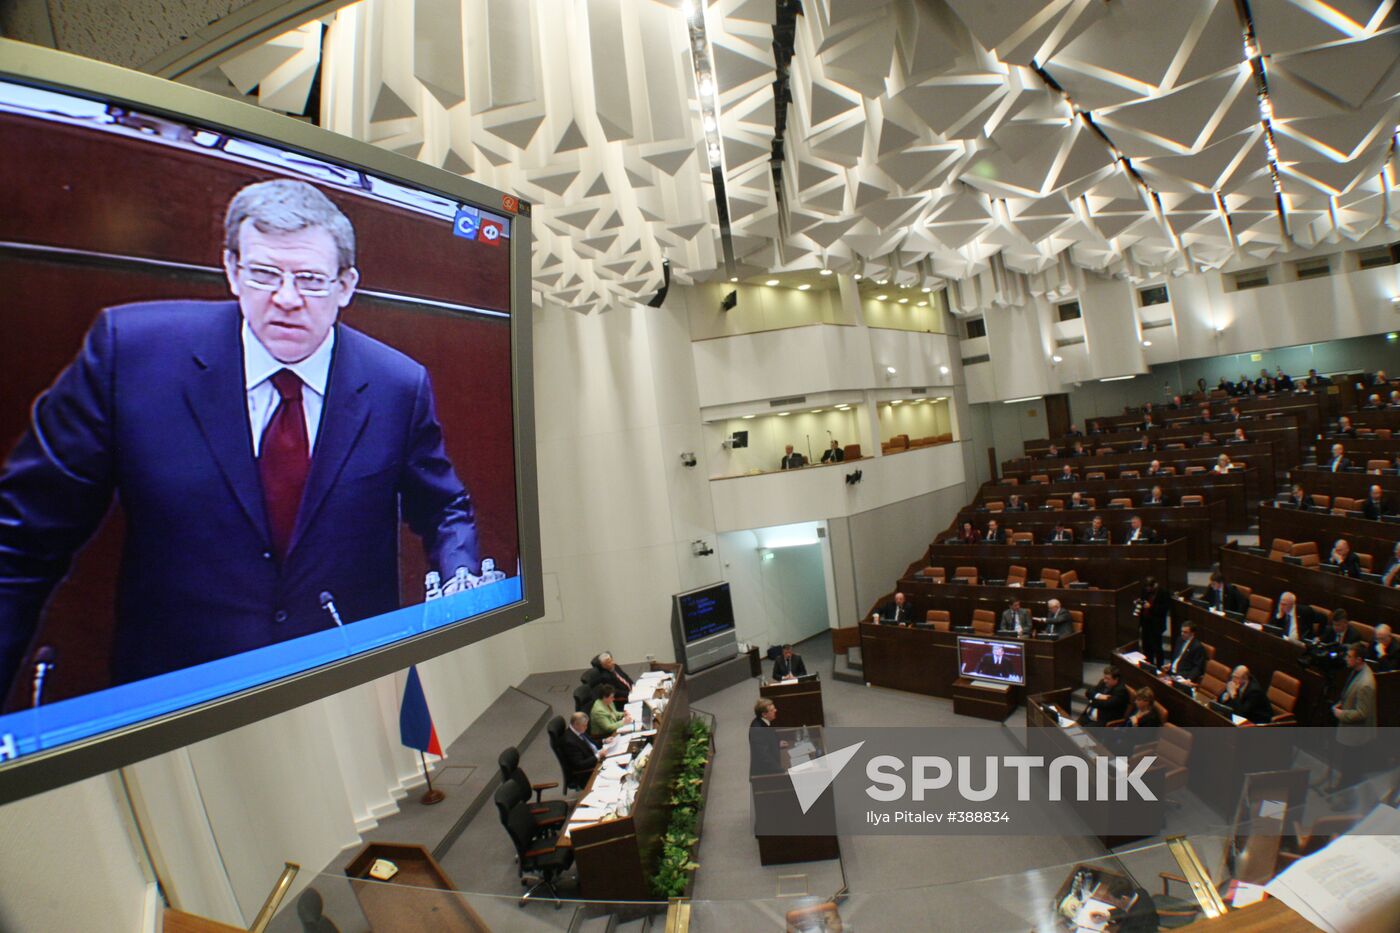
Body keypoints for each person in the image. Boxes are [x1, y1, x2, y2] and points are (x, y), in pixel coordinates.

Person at [0, 179, 482, 690]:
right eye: (264, 273)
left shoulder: (397, 384)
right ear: (231, 270)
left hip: (347, 684)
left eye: (311, 279)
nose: (286, 298)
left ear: (346, 286)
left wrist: (460, 585)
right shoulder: (131, 354)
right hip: (178, 698)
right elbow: (21, 543)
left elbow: (445, 508)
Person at [1331, 643, 1377, 790]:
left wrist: (1341, 714)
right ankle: (1341, 788)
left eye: (1349, 656)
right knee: (1346, 765)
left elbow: (1362, 713)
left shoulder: (1366, 684)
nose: (1346, 659)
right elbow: (1349, 694)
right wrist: (1340, 703)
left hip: (1356, 735)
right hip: (1350, 732)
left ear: (1359, 659)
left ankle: (1346, 798)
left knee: (1351, 768)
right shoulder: (1355, 671)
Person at [1137, 576, 1170, 667]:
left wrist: (1150, 607)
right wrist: (1139, 602)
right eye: (1146, 588)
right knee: (1146, 646)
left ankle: (1160, 666)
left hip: (1156, 624)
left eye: (1149, 588)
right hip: (1146, 623)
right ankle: (1149, 665)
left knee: (1157, 647)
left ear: (1154, 585)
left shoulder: (1163, 593)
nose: (1147, 590)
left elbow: (1164, 609)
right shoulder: (1145, 590)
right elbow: (1143, 600)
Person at [561, 711, 603, 779]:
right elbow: (580, 764)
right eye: (584, 725)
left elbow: (591, 742)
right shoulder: (569, 742)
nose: (586, 727)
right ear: (575, 724)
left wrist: (604, 741)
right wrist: (598, 756)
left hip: (597, 757)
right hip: (590, 770)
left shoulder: (579, 730)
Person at [749, 698, 783, 776]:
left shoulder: (763, 721)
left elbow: (769, 736)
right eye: (772, 710)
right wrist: (781, 771)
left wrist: (778, 742)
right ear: (764, 714)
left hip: (772, 761)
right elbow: (764, 757)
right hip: (764, 773)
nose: (775, 710)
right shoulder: (757, 730)